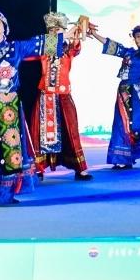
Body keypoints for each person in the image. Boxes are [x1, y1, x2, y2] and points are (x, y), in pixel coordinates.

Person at [0, 9, 77, 207]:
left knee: (12, 148)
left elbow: (38, 43)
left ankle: (6, 192)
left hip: (10, 104)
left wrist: (66, 36)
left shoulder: (16, 48)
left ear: (5, 25)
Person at [89, 23, 140, 169]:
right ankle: (124, 158)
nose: (137, 40)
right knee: (121, 123)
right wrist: (94, 34)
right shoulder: (129, 52)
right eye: (135, 37)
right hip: (123, 91)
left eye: (139, 36)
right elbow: (112, 45)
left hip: (137, 91)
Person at [28, 12, 92, 181]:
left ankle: (80, 168)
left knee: (71, 132)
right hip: (45, 96)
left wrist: (79, 30)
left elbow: (76, 47)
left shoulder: (67, 49)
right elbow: (29, 53)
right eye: (52, 29)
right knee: (39, 134)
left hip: (64, 96)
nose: (55, 32)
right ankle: (38, 169)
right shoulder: (45, 47)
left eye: (59, 29)